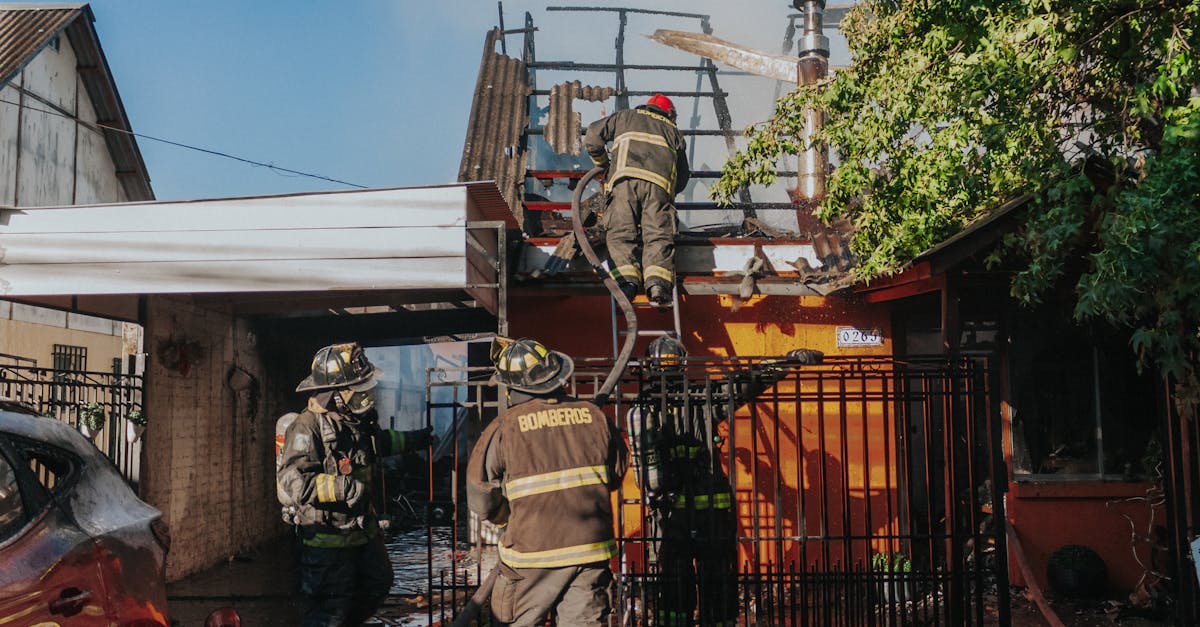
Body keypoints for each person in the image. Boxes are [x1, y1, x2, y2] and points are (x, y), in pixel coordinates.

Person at [630, 335, 823, 626]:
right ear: (683, 365)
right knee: (718, 585)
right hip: (712, 514)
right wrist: (787, 360)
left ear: (648, 368)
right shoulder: (704, 397)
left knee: (674, 588)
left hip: (669, 515)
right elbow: (748, 382)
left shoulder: (643, 408)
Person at [467, 338, 629, 626]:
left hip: (531, 555)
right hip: (590, 550)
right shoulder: (594, 416)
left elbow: (480, 495)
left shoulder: (506, 425)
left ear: (512, 387)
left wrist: (506, 516)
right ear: (556, 375)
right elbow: (616, 473)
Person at [276, 342, 435, 627]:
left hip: (363, 534)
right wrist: (343, 488)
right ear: (335, 395)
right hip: (327, 542)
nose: (367, 396)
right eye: (359, 390)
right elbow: (294, 481)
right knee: (329, 613)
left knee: (378, 582)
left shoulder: (354, 424)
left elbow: (380, 444)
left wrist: (417, 439)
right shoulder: (307, 427)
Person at [584, 93, 691, 307]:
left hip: (624, 184)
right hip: (659, 190)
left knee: (621, 233)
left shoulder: (624, 117)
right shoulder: (674, 132)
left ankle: (627, 284)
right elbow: (683, 177)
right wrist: (667, 194)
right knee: (658, 236)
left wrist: (604, 164)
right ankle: (658, 286)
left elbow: (592, 137)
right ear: (669, 114)